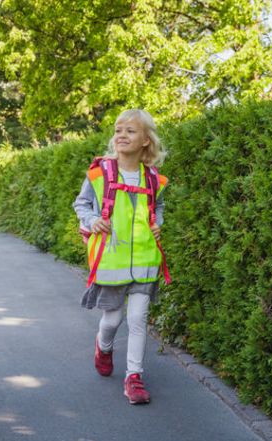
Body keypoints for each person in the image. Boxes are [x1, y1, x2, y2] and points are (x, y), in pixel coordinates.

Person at [73, 109, 169, 405]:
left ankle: (134, 377)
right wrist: (92, 222)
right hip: (111, 262)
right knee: (112, 319)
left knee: (138, 318)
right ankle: (103, 347)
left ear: (145, 141)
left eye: (130, 131)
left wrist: (158, 223)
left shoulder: (153, 178)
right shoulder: (99, 173)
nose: (122, 135)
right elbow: (82, 204)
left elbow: (159, 208)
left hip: (144, 260)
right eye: (118, 130)